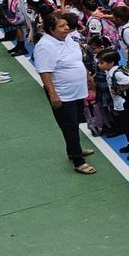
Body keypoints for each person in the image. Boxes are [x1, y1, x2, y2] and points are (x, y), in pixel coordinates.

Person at [33, 12, 96, 174]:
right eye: (62, 26)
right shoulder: (44, 47)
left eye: (66, 24)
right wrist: (53, 95)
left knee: (75, 123)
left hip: (77, 91)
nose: (67, 27)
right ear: (51, 29)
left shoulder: (67, 39)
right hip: (63, 94)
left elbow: (77, 60)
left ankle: (73, 149)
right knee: (69, 126)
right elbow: (44, 72)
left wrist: (87, 75)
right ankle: (78, 161)